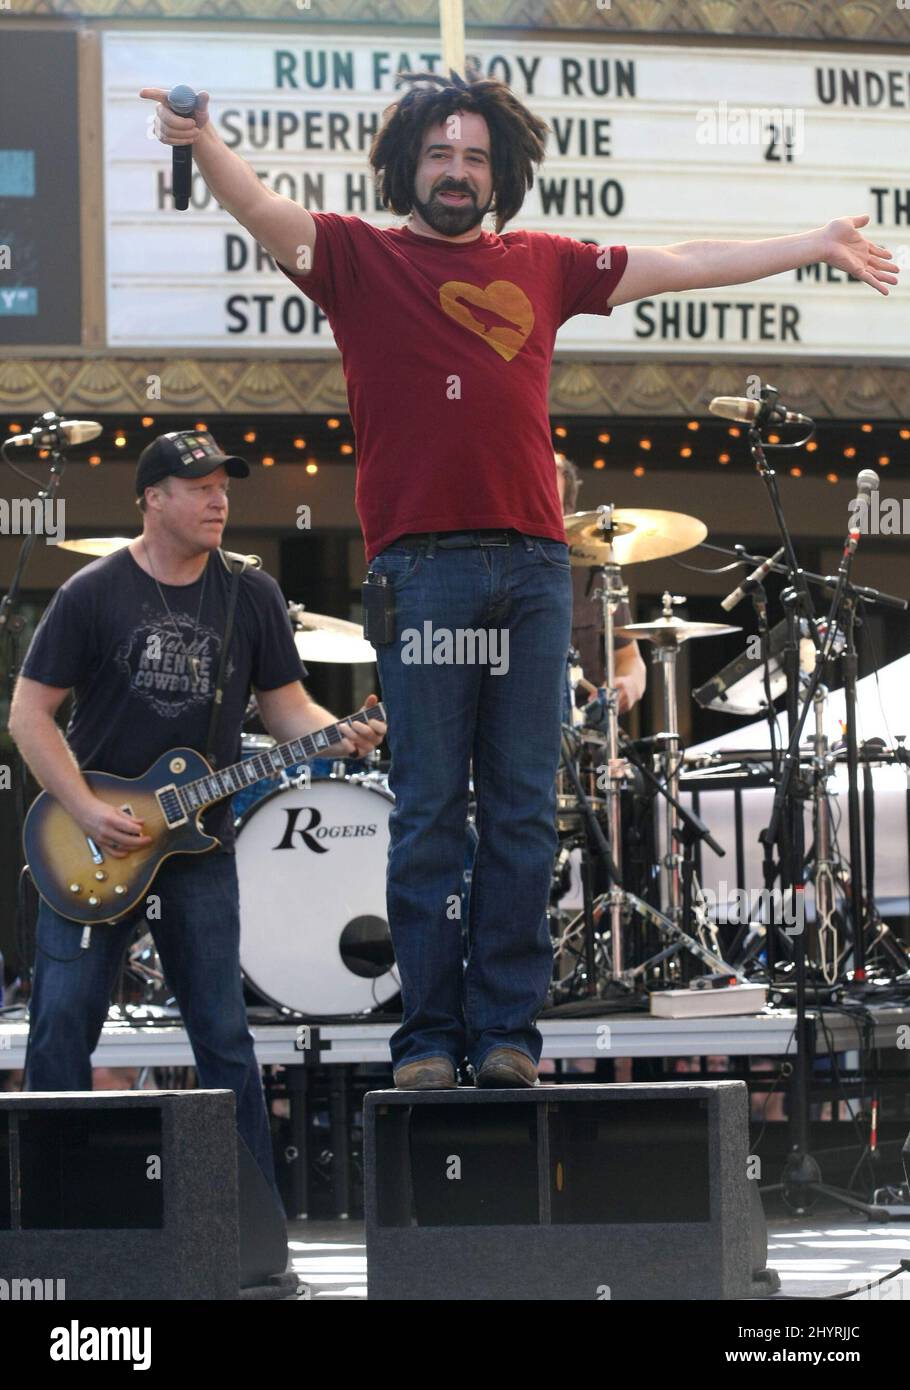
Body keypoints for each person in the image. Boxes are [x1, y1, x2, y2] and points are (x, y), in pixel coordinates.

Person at [139, 68, 896, 1090]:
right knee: (424, 813)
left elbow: (678, 261)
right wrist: (202, 139)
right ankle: (426, 1039)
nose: (457, 171)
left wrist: (810, 243)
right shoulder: (359, 258)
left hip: (535, 570)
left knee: (524, 812)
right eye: (440, 154)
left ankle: (505, 1035)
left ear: (503, 173)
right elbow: (262, 208)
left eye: (475, 158)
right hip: (421, 571)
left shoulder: (541, 262)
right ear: (409, 162)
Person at [9, 430, 385, 1193]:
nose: (219, 499)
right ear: (153, 499)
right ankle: (48, 1220)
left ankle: (251, 1241)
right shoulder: (94, 592)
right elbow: (27, 716)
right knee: (59, 1030)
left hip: (197, 850)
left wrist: (337, 735)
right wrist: (83, 808)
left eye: (224, 485)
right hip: (92, 843)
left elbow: (285, 712)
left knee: (223, 1038)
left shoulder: (249, 591)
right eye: (199, 486)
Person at [555, 455, 646, 715]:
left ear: (566, 512)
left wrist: (627, 684)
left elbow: (631, 661)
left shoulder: (594, 571)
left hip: (582, 733)